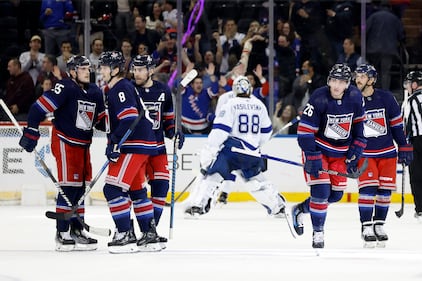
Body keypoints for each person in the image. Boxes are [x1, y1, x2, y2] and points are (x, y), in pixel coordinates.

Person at [18, 55, 105, 251]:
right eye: (82, 68)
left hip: (84, 145)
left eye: (88, 68)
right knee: (68, 187)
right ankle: (62, 231)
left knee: (81, 188)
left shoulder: (94, 92)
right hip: (65, 141)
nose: (86, 71)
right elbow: (38, 108)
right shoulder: (65, 87)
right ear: (72, 71)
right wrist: (32, 131)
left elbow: (101, 122)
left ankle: (77, 228)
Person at [184, 75, 286, 219]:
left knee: (215, 174)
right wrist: (256, 146)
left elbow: (221, 129)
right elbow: (266, 131)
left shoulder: (231, 104)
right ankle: (277, 206)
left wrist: (211, 148)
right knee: (254, 180)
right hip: (251, 151)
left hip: (233, 150)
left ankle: (199, 206)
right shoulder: (259, 105)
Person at [292, 63, 366, 249]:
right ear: (329, 81)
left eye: (341, 81)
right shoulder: (319, 97)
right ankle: (318, 232)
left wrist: (356, 150)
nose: (336, 85)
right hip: (319, 150)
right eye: (334, 80)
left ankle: (300, 209)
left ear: (348, 84)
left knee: (335, 196)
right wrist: (312, 155)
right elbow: (304, 131)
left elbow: (359, 129)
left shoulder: (356, 97)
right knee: (321, 192)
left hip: (340, 155)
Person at [98, 51, 161, 253]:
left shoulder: (120, 87)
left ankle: (125, 233)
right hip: (141, 143)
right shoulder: (119, 87)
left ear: (115, 69)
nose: (101, 70)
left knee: (112, 189)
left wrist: (115, 142)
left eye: (105, 67)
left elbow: (129, 117)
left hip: (134, 144)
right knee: (136, 190)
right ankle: (149, 235)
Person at [354, 64, 413, 247]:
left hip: (387, 153)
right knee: (368, 190)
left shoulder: (386, 98)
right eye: (357, 76)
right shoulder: (351, 100)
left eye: (362, 76)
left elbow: (396, 126)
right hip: (364, 154)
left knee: (384, 192)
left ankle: (379, 224)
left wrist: (403, 146)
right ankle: (366, 226)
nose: (358, 79)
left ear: (371, 80)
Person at [131, 54, 184, 246]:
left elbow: (168, 121)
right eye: (134, 69)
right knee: (136, 191)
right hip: (137, 149)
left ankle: (150, 230)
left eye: (140, 69)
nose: (136, 73)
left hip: (158, 148)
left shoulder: (163, 91)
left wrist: (175, 132)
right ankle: (137, 229)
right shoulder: (129, 90)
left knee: (161, 186)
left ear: (151, 71)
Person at [403, 70, 422, 222]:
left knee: (416, 177)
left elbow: (405, 125)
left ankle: (421, 209)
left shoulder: (410, 101)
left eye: (409, 83)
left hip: (417, 141)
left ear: (415, 84)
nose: (408, 87)